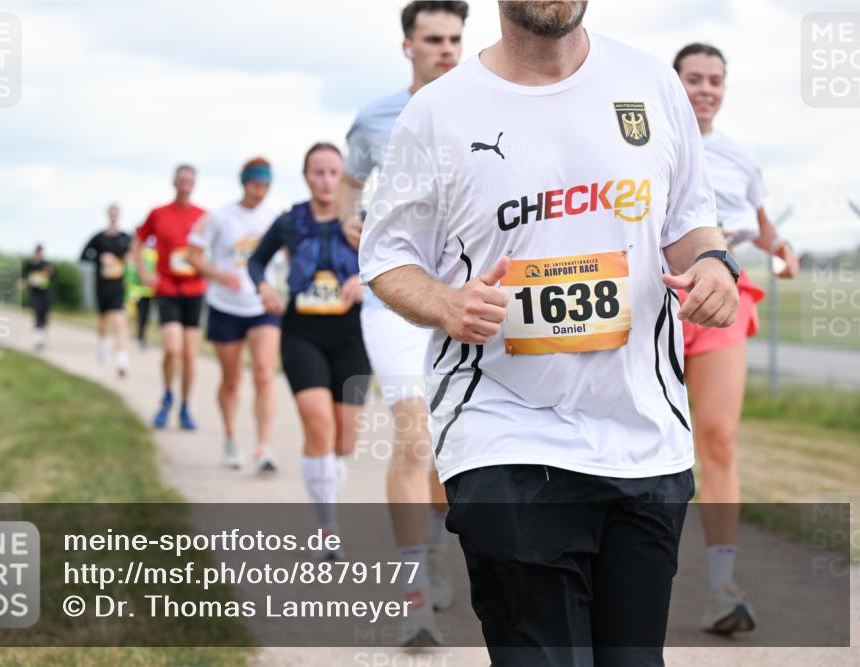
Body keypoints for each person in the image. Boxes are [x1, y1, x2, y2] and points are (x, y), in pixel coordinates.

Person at [360, 2, 742, 665]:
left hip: (642, 440)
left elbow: (690, 221)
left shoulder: (651, 85)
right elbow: (387, 255)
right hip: (505, 433)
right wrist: (447, 302)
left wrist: (714, 265)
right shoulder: (439, 112)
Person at [336, 2, 468, 643]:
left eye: (456, 38)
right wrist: (352, 224)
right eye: (434, 39)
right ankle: (414, 598)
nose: (447, 49)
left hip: (464, 298)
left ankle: (439, 550)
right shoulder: (376, 118)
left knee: (447, 451)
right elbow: (348, 187)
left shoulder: (487, 107)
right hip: (393, 299)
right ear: (407, 45)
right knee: (414, 438)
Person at [673, 42, 800, 636]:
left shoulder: (739, 157)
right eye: (694, 78)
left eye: (715, 80)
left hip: (722, 302)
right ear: (674, 83)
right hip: (656, 304)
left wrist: (781, 251)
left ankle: (722, 588)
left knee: (718, 439)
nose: (705, 89)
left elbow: (764, 226)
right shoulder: (646, 141)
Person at [247, 143, 369, 560]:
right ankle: (326, 529)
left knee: (345, 437)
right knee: (318, 427)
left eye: (334, 172)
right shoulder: (289, 221)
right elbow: (256, 263)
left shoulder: (360, 221)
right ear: (305, 176)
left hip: (352, 333)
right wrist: (263, 288)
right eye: (318, 172)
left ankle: (329, 473)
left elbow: (393, 260)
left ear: (344, 177)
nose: (326, 180)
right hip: (302, 332)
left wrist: (365, 281)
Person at [187, 158, 282, 472]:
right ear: (244, 183)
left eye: (266, 185)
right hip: (226, 306)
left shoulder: (275, 217)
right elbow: (193, 255)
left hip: (261, 307)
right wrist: (217, 275)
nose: (261, 191)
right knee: (232, 380)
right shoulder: (220, 217)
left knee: (264, 374)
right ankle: (230, 439)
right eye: (256, 184)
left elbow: (293, 255)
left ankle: (263, 448)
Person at [132, 165, 208, 430]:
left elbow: (215, 247)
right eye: (182, 180)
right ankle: (167, 396)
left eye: (190, 181)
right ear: (174, 183)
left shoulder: (203, 216)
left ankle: (185, 405)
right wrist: (144, 272)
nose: (186, 185)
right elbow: (138, 241)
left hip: (194, 289)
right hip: (166, 287)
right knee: (172, 348)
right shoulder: (158, 213)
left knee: (189, 353)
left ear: (195, 184)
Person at [81, 203, 133, 377]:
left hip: (118, 285)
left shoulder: (126, 238)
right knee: (103, 320)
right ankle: (102, 345)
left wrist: (122, 259)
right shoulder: (98, 238)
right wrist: (100, 258)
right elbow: (84, 255)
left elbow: (133, 255)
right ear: (107, 215)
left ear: (119, 215)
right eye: (111, 213)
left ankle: (122, 360)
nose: (114, 216)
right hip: (102, 285)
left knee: (119, 320)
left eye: (116, 213)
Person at [125, 241, 157, 349]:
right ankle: (128, 336)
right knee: (132, 315)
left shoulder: (153, 254)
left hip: (147, 291)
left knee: (143, 316)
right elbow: (130, 271)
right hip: (135, 291)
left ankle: (140, 337)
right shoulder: (136, 254)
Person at [22, 245, 54, 351]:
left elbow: (54, 275)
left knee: (44, 316)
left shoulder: (46, 264)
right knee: (37, 314)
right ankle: (37, 339)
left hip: (45, 293)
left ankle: (42, 338)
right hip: (35, 294)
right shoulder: (29, 264)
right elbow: (23, 276)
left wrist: (49, 272)